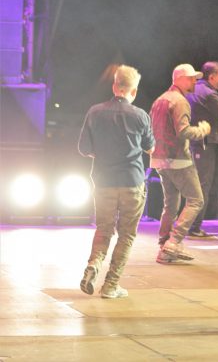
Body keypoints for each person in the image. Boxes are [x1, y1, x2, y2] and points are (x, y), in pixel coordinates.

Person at [78, 65, 155, 298]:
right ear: (134, 91)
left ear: (114, 87)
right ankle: (111, 286)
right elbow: (150, 147)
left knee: (104, 229)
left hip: (103, 182)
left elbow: (84, 148)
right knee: (127, 234)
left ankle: (94, 264)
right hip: (132, 181)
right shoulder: (140, 115)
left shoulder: (94, 112)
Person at [150, 64, 211, 264]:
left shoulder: (159, 100)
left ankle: (164, 245)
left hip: (159, 159)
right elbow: (183, 131)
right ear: (180, 79)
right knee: (196, 200)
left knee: (171, 204)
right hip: (178, 160)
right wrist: (202, 130)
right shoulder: (180, 101)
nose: (195, 81)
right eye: (192, 78)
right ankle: (173, 242)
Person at [186, 61, 218, 236]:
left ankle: (187, 224)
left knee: (192, 185)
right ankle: (193, 227)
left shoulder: (193, 89)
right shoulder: (210, 94)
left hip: (192, 142)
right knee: (202, 185)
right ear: (212, 77)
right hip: (204, 144)